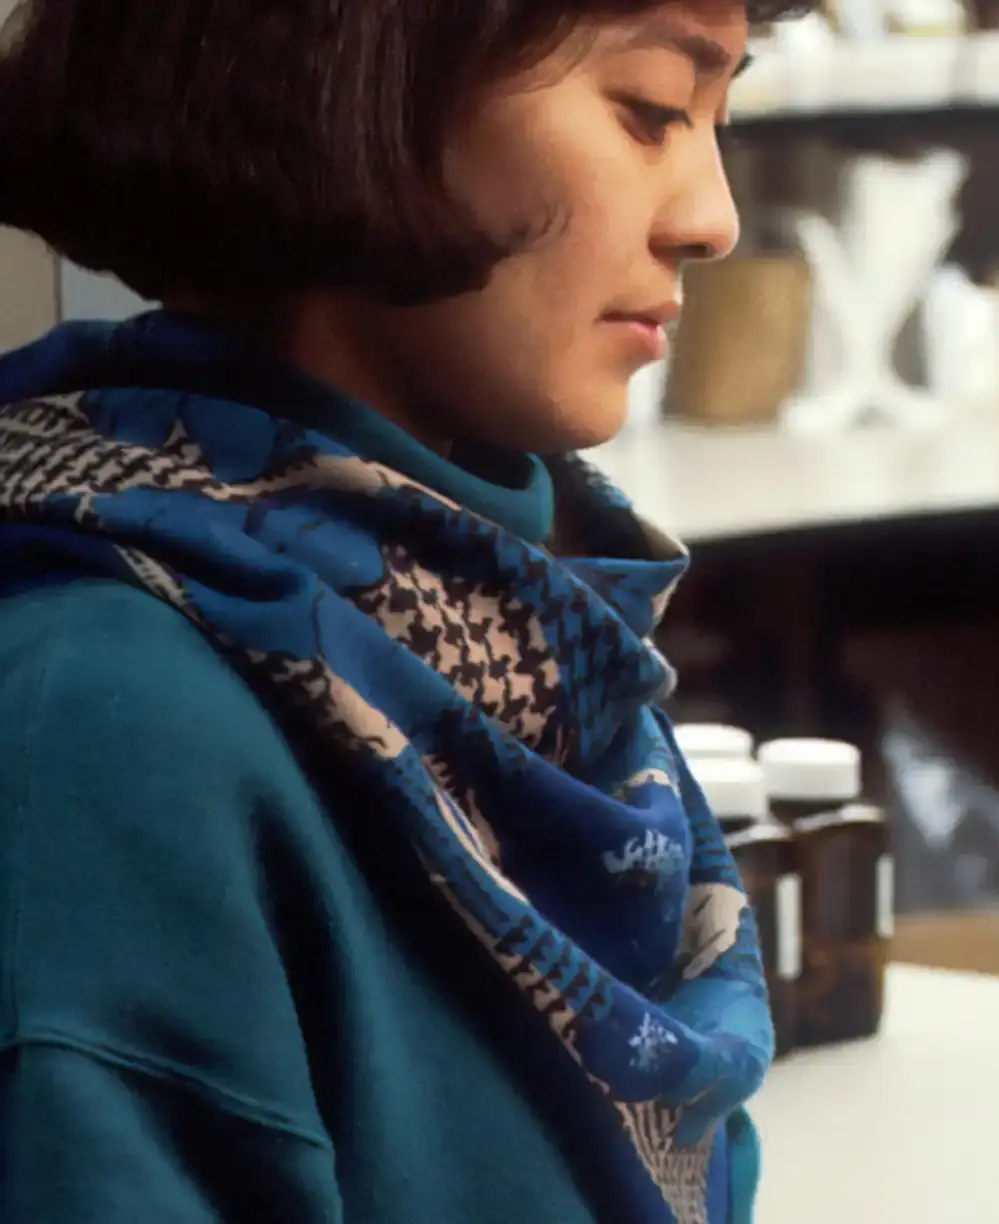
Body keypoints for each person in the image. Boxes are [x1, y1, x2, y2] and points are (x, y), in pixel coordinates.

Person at [0, 2, 803, 1220]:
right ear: (351, 79)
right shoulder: (108, 733)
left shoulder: (529, 634)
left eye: (717, 118)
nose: (713, 218)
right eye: (648, 111)